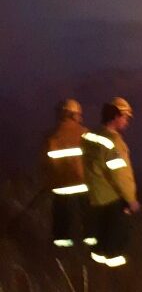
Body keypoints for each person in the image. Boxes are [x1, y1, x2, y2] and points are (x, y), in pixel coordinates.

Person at [81, 97, 139, 268]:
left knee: (99, 238)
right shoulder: (114, 142)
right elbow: (120, 175)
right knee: (115, 241)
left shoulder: (90, 136)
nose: (127, 122)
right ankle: (115, 273)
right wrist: (131, 199)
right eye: (125, 117)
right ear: (116, 116)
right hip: (112, 198)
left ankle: (96, 267)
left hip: (94, 195)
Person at [42, 98, 95, 248]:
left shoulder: (51, 137)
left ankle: (62, 246)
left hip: (60, 186)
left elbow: (44, 164)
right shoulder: (85, 134)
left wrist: (47, 182)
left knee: (61, 218)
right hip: (83, 184)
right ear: (73, 115)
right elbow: (93, 160)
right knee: (88, 218)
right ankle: (90, 241)